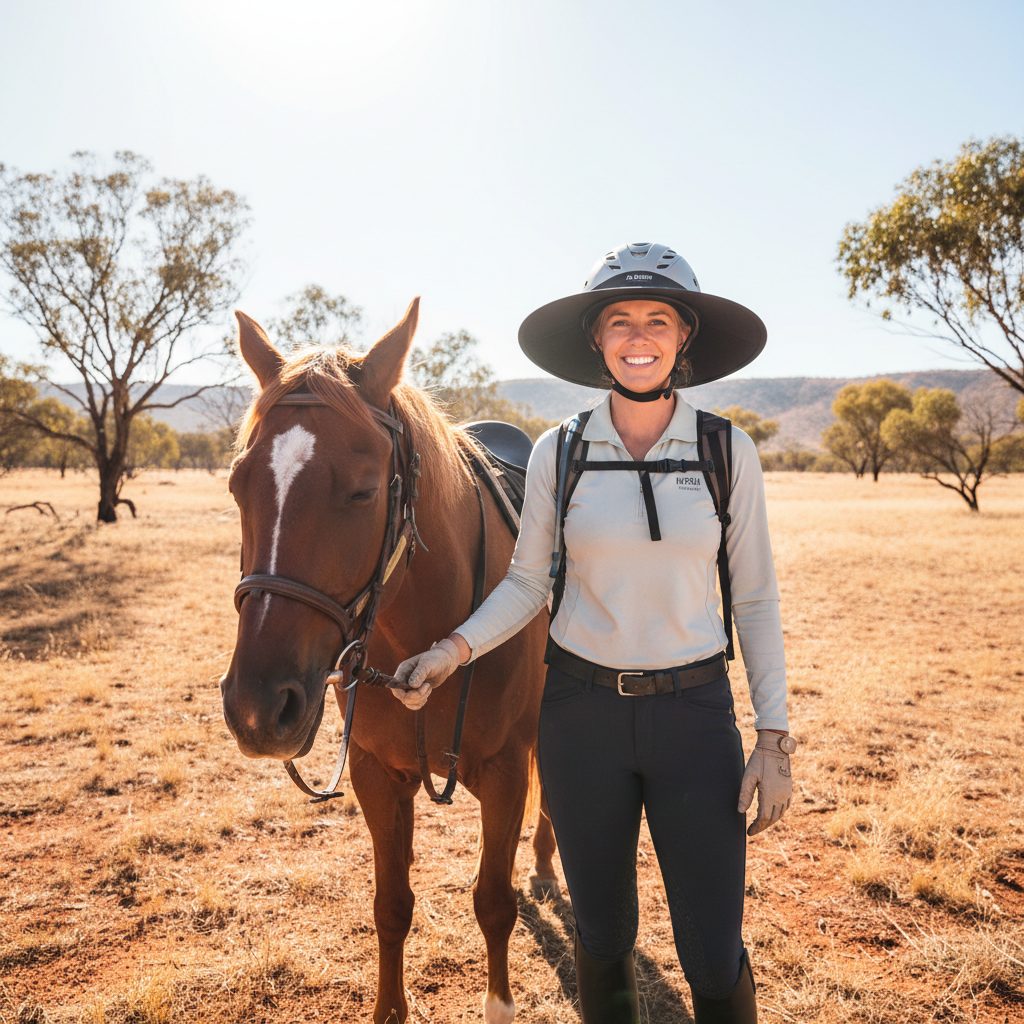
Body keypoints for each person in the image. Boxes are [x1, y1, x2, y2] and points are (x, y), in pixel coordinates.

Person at [393, 242, 794, 1024]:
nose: (638, 336)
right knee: (603, 936)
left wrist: (774, 738)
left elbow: (755, 598)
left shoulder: (725, 450)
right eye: (620, 320)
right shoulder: (562, 451)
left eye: (657, 320)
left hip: (694, 717)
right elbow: (526, 584)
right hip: (581, 720)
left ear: (684, 336)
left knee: (713, 953)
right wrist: (449, 651)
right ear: (596, 339)